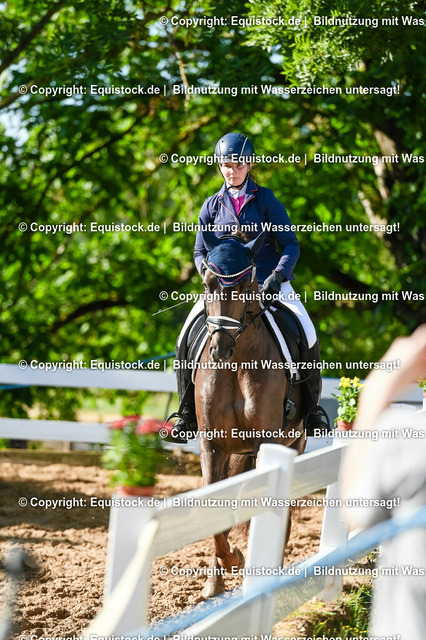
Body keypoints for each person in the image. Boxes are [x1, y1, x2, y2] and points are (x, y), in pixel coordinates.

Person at [171, 132, 329, 441]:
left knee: (307, 330)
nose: (231, 171)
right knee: (184, 337)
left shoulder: (266, 200)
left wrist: (277, 278)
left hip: (268, 283)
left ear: (250, 164)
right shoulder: (211, 206)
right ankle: (187, 413)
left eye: (238, 165)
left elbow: (290, 244)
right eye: (226, 165)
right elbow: (199, 251)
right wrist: (206, 274)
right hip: (223, 291)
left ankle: (312, 411)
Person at [341, 324, 426, 639]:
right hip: (233, 300)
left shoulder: (407, 439)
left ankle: (307, 406)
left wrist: (377, 388)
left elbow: (355, 512)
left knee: (302, 332)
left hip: (275, 296)